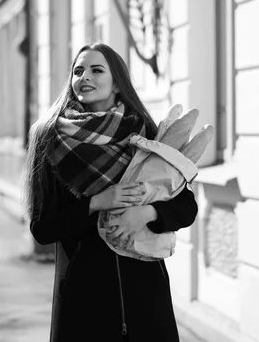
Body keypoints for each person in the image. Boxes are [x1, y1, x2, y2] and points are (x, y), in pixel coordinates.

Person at [24, 42, 198, 341]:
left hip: (145, 294)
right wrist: (96, 203)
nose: (84, 77)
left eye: (96, 70)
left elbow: (186, 206)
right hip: (84, 300)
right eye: (78, 71)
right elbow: (42, 228)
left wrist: (146, 213)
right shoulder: (50, 138)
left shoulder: (143, 133)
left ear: (117, 83)